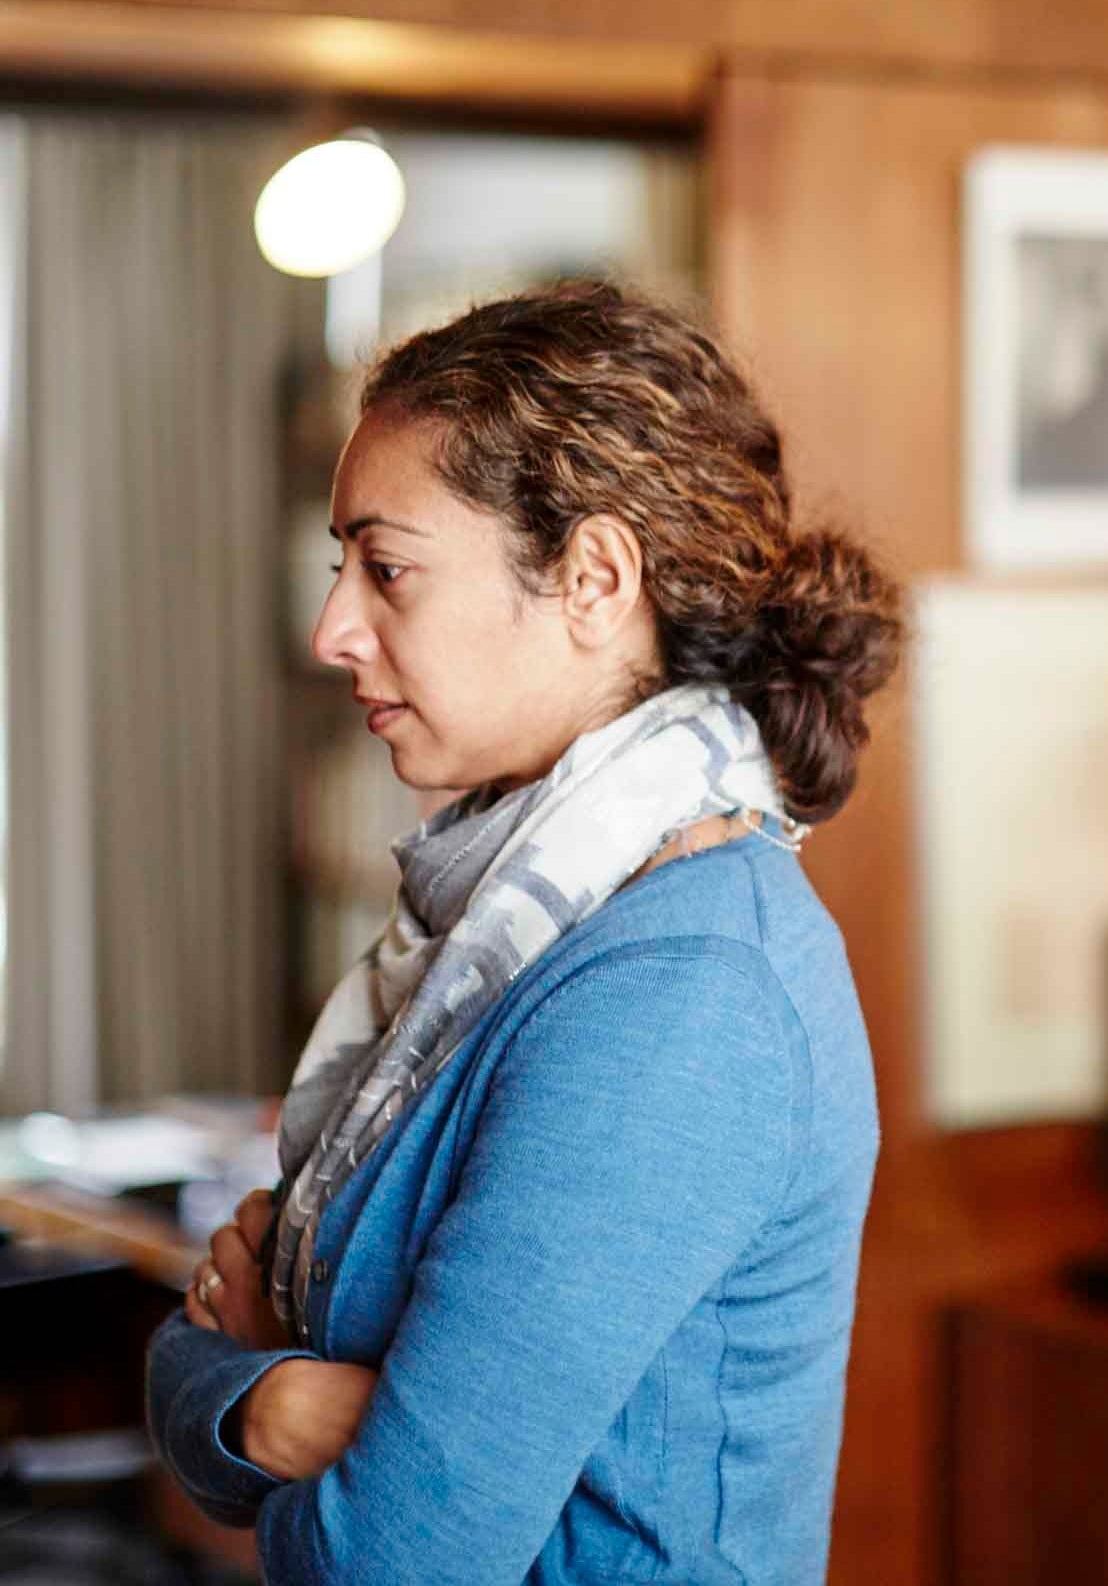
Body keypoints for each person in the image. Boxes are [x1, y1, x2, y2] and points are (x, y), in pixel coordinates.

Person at [144, 281, 900, 1583]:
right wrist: (269, 1398)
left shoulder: (688, 989)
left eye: (387, 570)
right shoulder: (517, 927)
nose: (334, 629)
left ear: (595, 578)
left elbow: (389, 1560)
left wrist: (256, 1390)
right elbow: (193, 1338)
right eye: (341, 570)